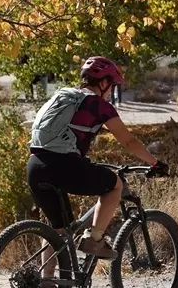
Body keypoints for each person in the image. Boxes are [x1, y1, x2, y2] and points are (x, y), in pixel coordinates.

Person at [26, 56, 165, 268]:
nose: (111, 91)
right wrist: (155, 163)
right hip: (62, 165)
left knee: (58, 231)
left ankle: (47, 282)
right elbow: (128, 141)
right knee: (115, 184)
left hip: (35, 165)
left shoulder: (62, 96)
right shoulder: (98, 105)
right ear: (103, 83)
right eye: (112, 86)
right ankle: (94, 239)